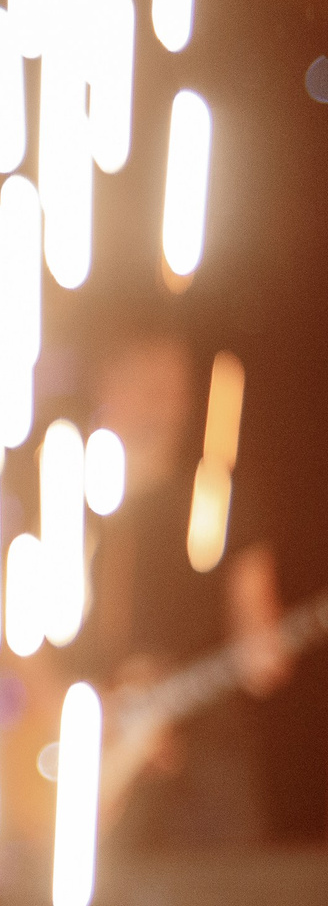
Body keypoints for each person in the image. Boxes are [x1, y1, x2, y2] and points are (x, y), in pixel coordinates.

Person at [86, 328, 287, 847]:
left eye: (174, 389)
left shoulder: (219, 503)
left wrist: (262, 648)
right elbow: (15, 646)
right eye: (148, 385)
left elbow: (261, 646)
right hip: (87, 769)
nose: (164, 405)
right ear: (109, 385)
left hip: (203, 775)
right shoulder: (67, 504)